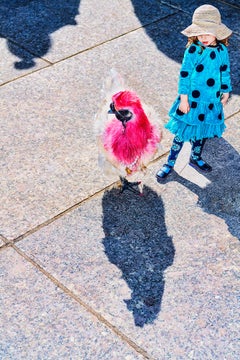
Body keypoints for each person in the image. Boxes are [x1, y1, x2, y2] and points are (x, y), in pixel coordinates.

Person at [156, 4, 232, 180]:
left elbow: (225, 71)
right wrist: (184, 99)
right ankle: (170, 162)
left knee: (201, 133)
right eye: (200, 33)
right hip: (192, 101)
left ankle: (195, 156)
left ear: (217, 32)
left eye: (208, 32)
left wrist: (226, 91)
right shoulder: (194, 50)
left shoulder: (222, 51)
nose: (203, 37)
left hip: (211, 102)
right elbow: (184, 75)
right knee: (181, 134)